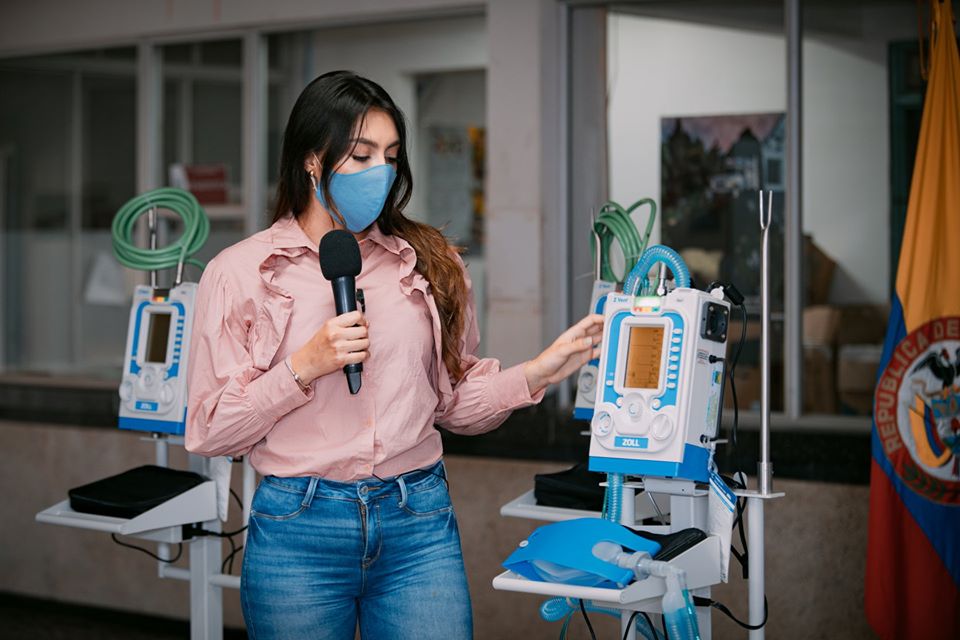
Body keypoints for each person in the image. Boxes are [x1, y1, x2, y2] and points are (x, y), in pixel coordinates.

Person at [185, 70, 603, 640]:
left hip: (418, 519)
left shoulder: (430, 262)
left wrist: (538, 371)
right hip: (297, 526)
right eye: (359, 155)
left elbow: (452, 404)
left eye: (390, 155)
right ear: (313, 160)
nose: (378, 172)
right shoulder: (237, 273)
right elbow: (210, 430)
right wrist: (303, 367)